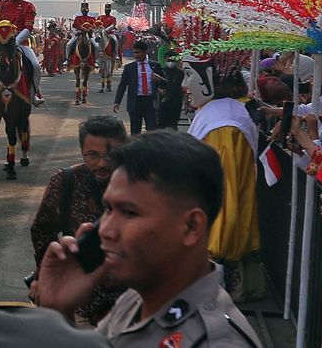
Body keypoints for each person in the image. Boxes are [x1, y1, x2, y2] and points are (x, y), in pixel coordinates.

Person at [36, 130, 262, 347]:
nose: (105, 230)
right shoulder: (136, 299)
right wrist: (58, 311)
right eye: (108, 209)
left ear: (192, 226)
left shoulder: (216, 342)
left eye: (129, 212)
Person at [28, 115, 129, 325]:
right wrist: (43, 274)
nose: (102, 163)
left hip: (134, 306)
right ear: (82, 151)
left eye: (111, 155)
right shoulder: (66, 182)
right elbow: (42, 230)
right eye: (92, 155)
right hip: (79, 306)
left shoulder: (142, 184)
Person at [182, 62, 262, 301]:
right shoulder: (221, 112)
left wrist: (214, 249)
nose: (184, 85)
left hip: (218, 240)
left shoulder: (223, 126)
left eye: (189, 76)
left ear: (209, 79)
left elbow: (225, 197)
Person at [112, 41, 162, 134]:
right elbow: (122, 85)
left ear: (145, 52)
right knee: (135, 131)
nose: (136, 55)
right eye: (134, 53)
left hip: (150, 102)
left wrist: (160, 80)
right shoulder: (129, 68)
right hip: (135, 102)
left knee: (152, 130)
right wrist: (117, 102)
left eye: (138, 52)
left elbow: (164, 83)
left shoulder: (155, 66)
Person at [155, 50, 185, 129]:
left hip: (176, 103)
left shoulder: (181, 73)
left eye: (173, 60)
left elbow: (183, 88)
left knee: (173, 125)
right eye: (169, 60)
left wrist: (186, 103)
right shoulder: (161, 71)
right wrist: (159, 90)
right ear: (165, 60)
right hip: (163, 103)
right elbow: (154, 86)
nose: (171, 62)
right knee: (161, 125)